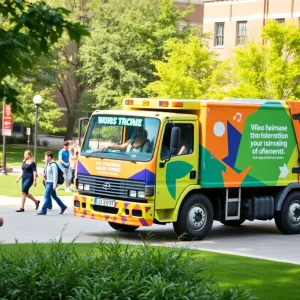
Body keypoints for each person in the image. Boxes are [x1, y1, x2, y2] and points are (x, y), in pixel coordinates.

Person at [37, 151, 67, 216]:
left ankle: (43, 210)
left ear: (49, 157)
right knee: (54, 196)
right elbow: (48, 173)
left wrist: (55, 184)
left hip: (51, 183)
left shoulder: (53, 164)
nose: (44, 157)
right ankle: (63, 206)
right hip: (47, 182)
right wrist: (44, 175)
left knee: (46, 195)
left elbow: (55, 175)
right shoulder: (48, 164)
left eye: (45, 156)